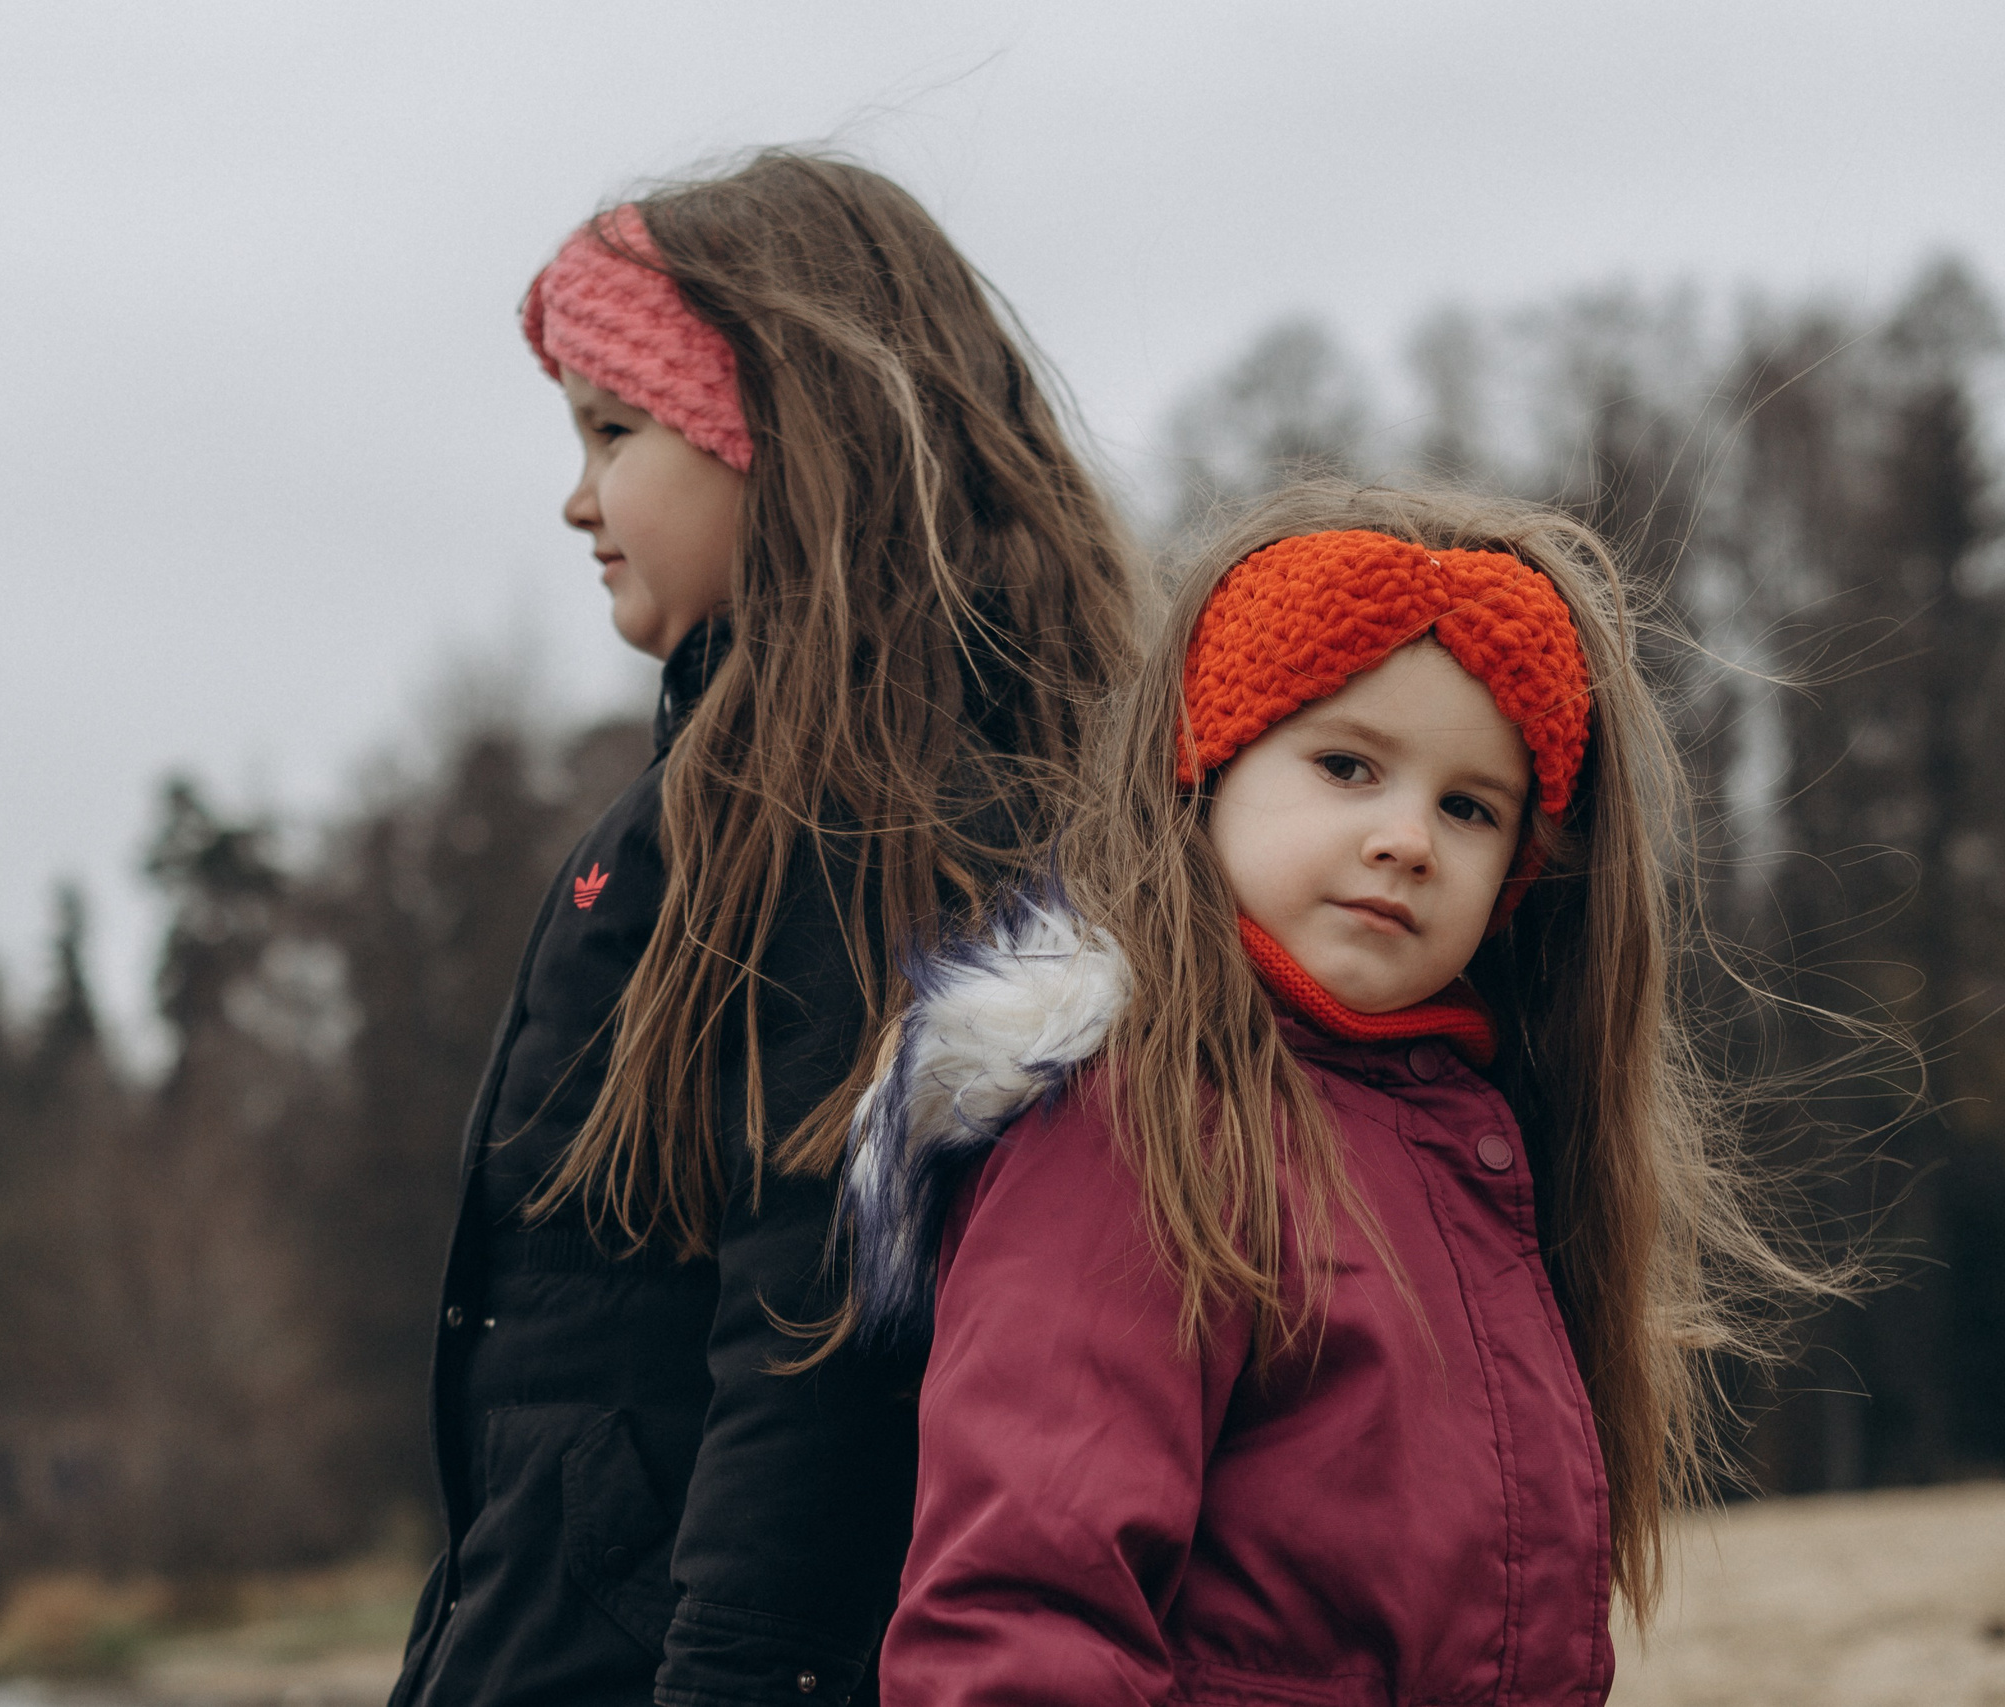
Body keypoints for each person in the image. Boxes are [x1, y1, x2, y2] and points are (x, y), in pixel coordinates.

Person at [843, 484, 1835, 1704]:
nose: (1408, 836)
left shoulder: (1474, 1154)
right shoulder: (1128, 1128)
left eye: (1469, 806)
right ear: (1203, 763)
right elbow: (1027, 1610)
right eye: (1347, 765)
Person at [389, 152, 1141, 1707]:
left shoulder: (873, 814)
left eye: (617, 431)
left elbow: (819, 1339)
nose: (577, 496)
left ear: (787, 440)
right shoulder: (722, 794)